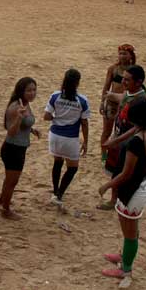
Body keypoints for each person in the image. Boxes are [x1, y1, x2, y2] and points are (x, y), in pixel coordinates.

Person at [98, 99, 146, 284]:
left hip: (134, 190)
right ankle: (124, 255)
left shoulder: (136, 142)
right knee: (129, 228)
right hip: (144, 185)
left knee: (130, 231)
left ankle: (126, 270)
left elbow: (126, 174)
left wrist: (107, 186)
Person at [100, 65, 146, 209]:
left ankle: (118, 200)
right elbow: (121, 99)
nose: (123, 83)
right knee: (117, 171)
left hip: (130, 142)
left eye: (127, 80)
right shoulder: (131, 94)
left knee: (123, 173)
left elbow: (136, 128)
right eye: (123, 79)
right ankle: (116, 200)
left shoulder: (142, 100)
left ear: (138, 82)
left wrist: (116, 140)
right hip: (121, 138)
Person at [44, 69, 90, 212]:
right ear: (77, 83)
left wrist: (57, 118)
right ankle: (59, 194)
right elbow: (84, 122)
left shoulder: (55, 96)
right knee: (72, 168)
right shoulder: (82, 100)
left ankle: (55, 189)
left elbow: (46, 116)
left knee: (57, 162)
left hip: (55, 135)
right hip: (70, 138)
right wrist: (86, 141)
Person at [0, 77, 40, 220]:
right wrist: (19, 118)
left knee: (9, 179)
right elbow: (11, 131)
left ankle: (2, 200)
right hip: (13, 149)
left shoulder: (24, 103)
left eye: (34, 90)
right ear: (21, 91)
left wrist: (32, 130)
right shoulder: (16, 108)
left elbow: (24, 126)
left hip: (17, 148)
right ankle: (6, 210)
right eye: (28, 90)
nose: (32, 93)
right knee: (12, 181)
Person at [100, 44, 136, 162]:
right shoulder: (113, 69)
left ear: (131, 55)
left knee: (122, 131)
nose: (122, 56)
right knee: (107, 130)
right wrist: (102, 102)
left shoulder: (134, 70)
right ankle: (104, 154)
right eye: (120, 53)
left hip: (126, 104)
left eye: (124, 54)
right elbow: (106, 86)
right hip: (112, 104)